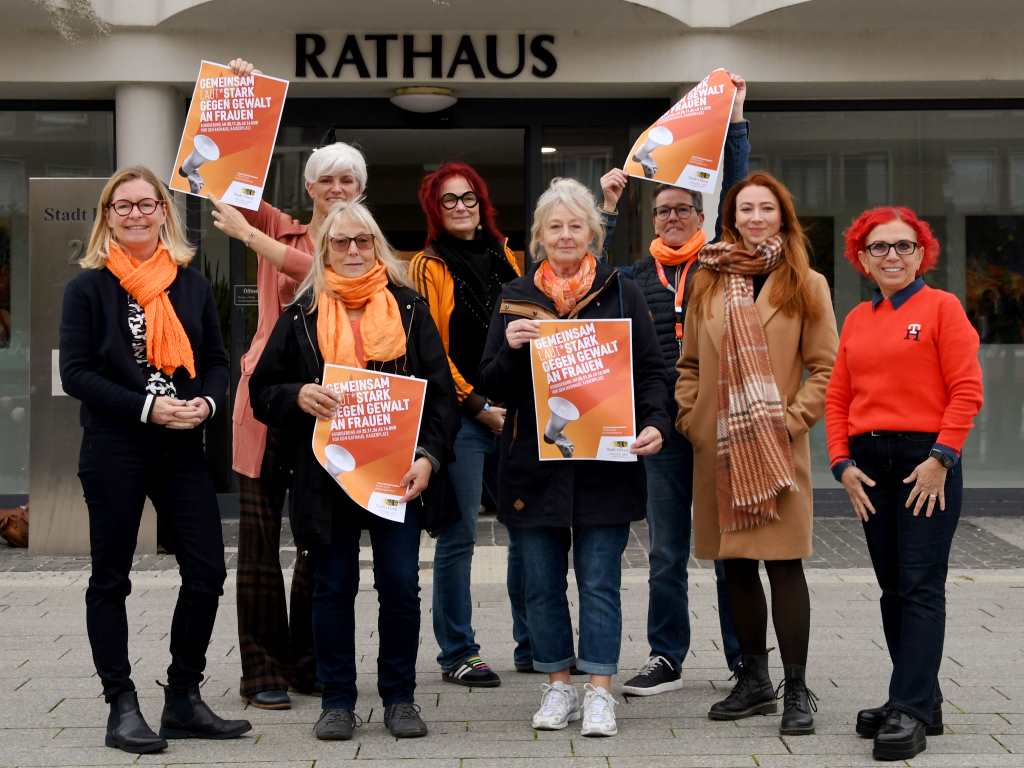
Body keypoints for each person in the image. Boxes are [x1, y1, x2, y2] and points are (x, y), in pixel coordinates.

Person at [249, 200, 458, 741]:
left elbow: (440, 397)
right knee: (332, 585)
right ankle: (337, 700)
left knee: (399, 586)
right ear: (323, 251)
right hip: (328, 476)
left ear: (377, 246)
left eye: (362, 240)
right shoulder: (301, 316)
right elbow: (261, 392)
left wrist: (429, 458)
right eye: (340, 242)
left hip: (398, 475)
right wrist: (298, 394)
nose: (352, 250)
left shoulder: (409, 310)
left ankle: (400, 698)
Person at [59, 166, 251, 754]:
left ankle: (183, 697)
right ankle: (121, 703)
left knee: (208, 570)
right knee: (111, 577)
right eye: (124, 206)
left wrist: (207, 403)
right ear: (107, 217)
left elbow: (218, 359)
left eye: (147, 204)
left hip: (181, 448)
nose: (137, 214)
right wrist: (148, 408)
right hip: (116, 447)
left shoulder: (189, 285)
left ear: (164, 213)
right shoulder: (89, 288)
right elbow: (76, 374)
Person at [479, 177, 670, 737]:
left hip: (604, 465)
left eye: (576, 225)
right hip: (530, 467)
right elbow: (491, 383)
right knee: (539, 583)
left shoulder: (622, 291)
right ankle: (558, 684)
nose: (566, 235)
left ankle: (600, 691)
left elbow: (652, 371)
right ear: (539, 236)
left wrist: (657, 423)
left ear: (593, 233)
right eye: (555, 226)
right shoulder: (514, 298)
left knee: (599, 581)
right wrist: (512, 350)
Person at [207, 57, 369, 710]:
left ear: (359, 188)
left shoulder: (367, 244)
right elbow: (223, 184)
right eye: (326, 178)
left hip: (332, 411)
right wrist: (236, 95)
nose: (336, 187)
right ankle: (262, 670)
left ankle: (308, 661)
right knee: (257, 545)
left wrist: (255, 241)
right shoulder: (279, 224)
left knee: (318, 544)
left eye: (347, 178)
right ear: (310, 187)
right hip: (265, 406)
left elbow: (332, 277)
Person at [597, 72, 748, 696]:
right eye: (664, 209)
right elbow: (589, 278)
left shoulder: (722, 263)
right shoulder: (633, 277)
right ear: (652, 218)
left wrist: (735, 122)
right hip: (660, 426)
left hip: (718, 421)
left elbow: (739, 195)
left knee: (729, 548)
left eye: (685, 208)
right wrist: (606, 209)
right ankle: (667, 657)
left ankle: (744, 658)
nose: (676, 216)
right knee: (666, 554)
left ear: (701, 216)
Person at [675, 171, 838, 735]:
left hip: (777, 449)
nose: (755, 218)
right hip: (717, 445)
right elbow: (690, 365)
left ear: (782, 216)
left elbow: (824, 367)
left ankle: (796, 689)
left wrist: (789, 423)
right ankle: (754, 682)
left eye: (766, 208)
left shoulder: (807, 283)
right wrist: (691, 418)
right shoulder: (710, 280)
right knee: (735, 567)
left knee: (784, 565)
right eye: (745, 209)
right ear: (732, 218)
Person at [825, 207, 983, 762]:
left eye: (903, 246)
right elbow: (838, 397)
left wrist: (943, 457)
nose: (892, 255)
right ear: (862, 258)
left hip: (925, 464)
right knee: (893, 585)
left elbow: (966, 391)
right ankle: (922, 699)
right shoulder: (857, 319)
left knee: (919, 584)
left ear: (922, 253)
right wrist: (841, 464)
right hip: (870, 465)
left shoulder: (944, 309)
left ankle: (909, 710)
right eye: (879, 248)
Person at [410, 163, 522, 685]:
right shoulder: (428, 267)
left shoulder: (508, 258)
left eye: (469, 198)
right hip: (463, 417)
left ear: (482, 204)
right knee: (458, 538)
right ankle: (458, 651)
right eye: (449, 200)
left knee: (529, 529)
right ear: (435, 209)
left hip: (518, 411)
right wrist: (477, 404)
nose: (460, 207)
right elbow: (432, 350)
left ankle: (534, 643)